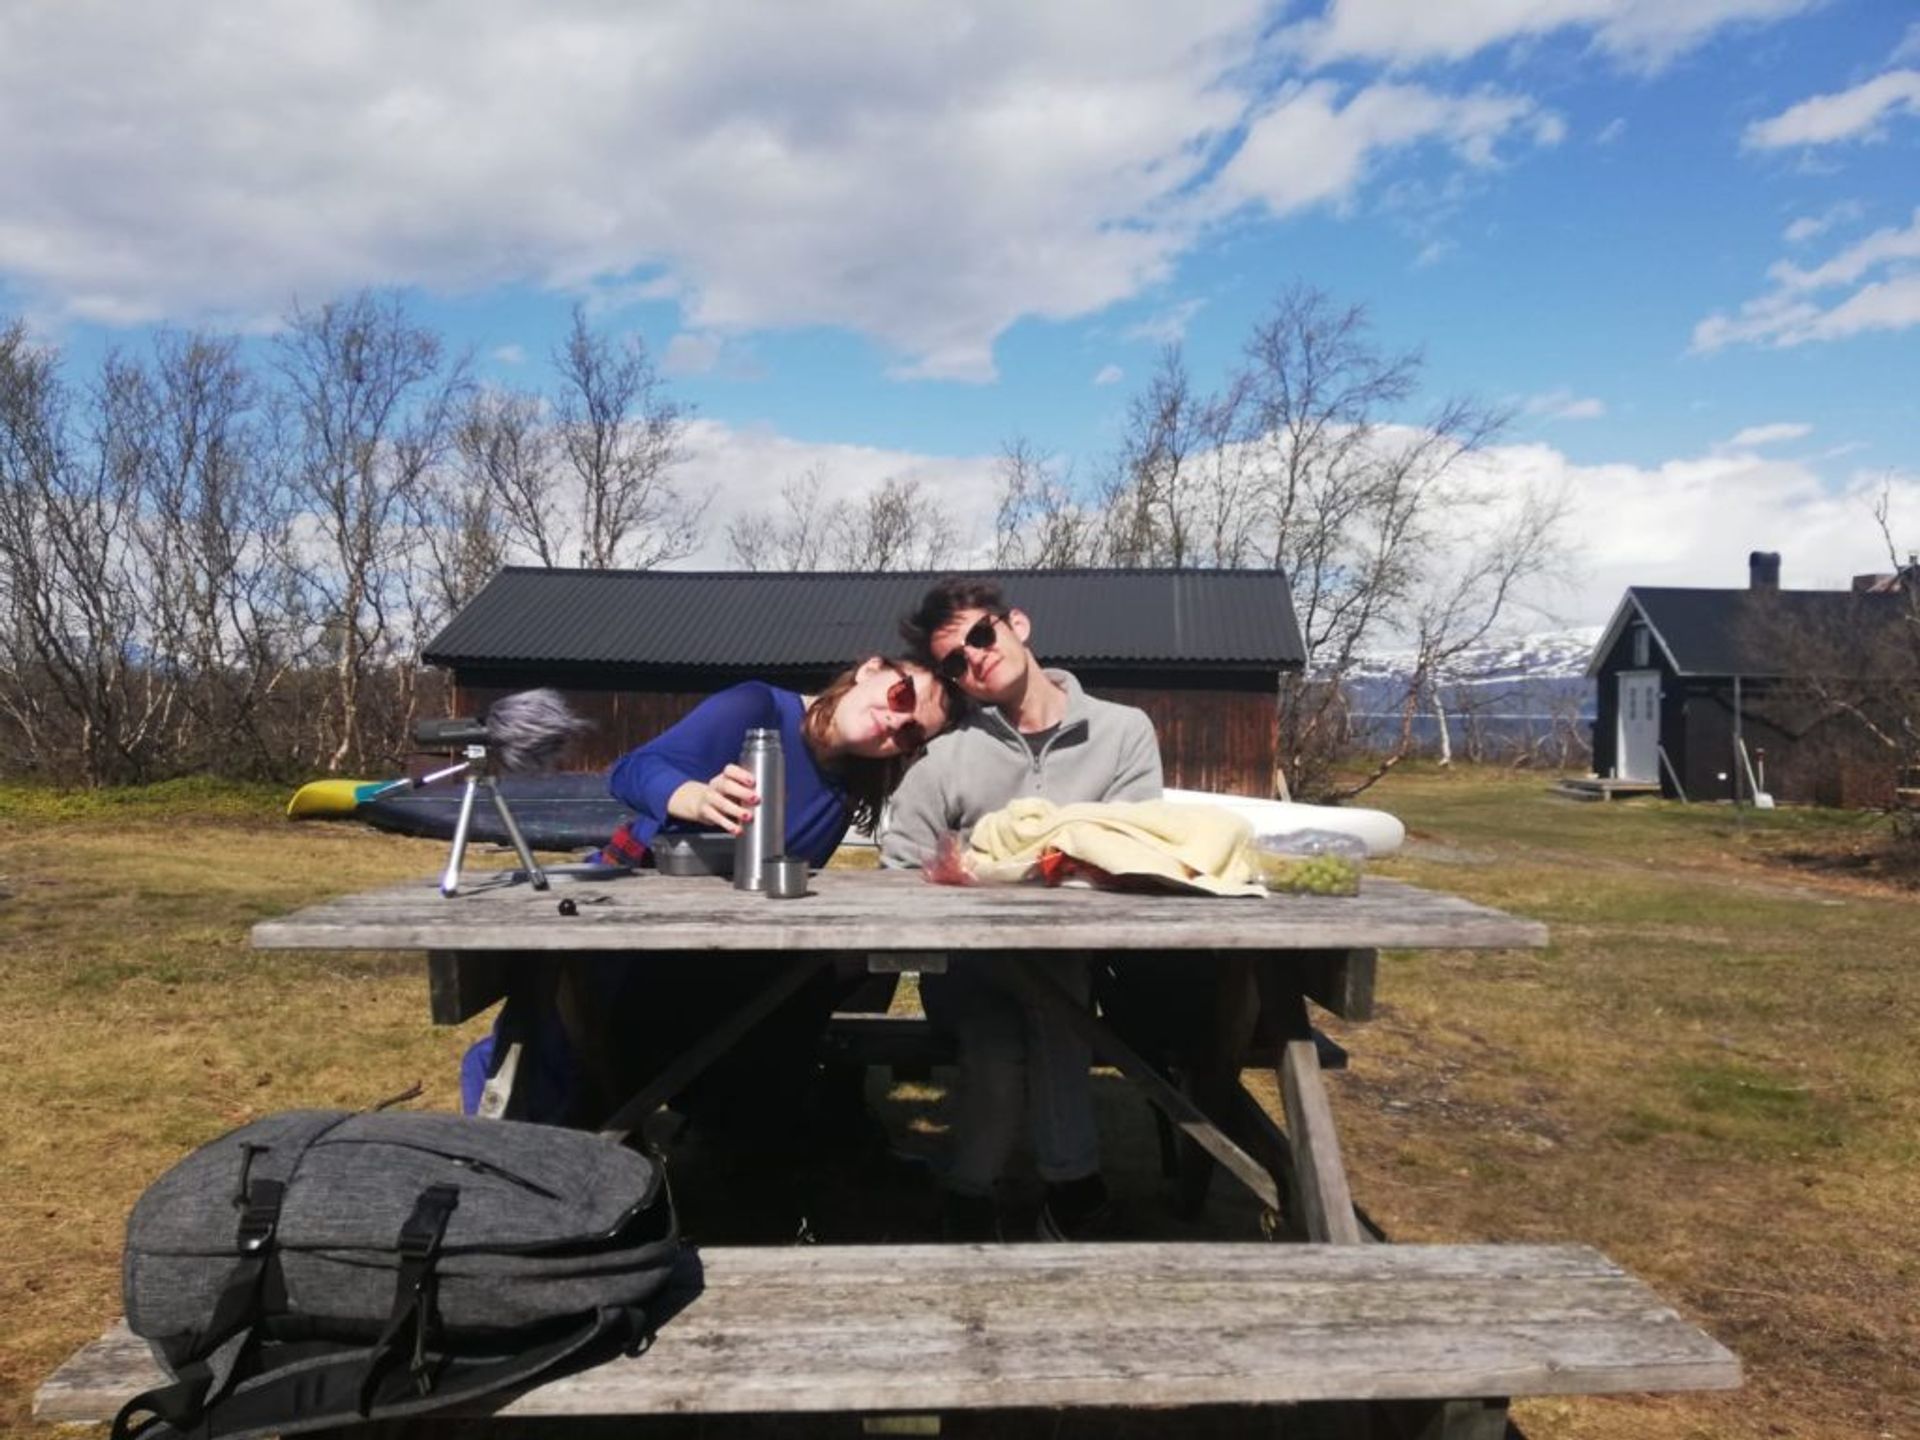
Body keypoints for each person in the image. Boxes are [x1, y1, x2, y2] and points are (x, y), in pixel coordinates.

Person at [464, 657, 952, 1157]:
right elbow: (631, 771)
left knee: (832, 984)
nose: (896, 722)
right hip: (625, 936)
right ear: (872, 668)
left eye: (912, 733)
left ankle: (725, 1144)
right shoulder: (757, 706)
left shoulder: (847, 783)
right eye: (901, 696)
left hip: (716, 953)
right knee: (568, 1074)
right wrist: (691, 796)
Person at [881, 578, 1163, 1240]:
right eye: (955, 660)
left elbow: (1137, 850)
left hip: (1080, 960)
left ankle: (970, 1193)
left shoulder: (1123, 732)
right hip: (967, 970)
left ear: (1018, 626)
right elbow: (898, 867)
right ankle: (1073, 1193)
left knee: (1018, 1025)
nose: (974, 659)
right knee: (1021, 1013)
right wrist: (947, 878)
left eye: (981, 636)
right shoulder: (947, 755)